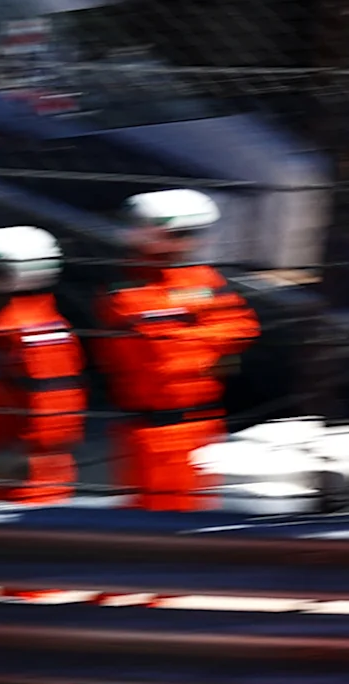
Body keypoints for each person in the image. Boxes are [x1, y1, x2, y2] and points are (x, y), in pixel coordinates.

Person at [97, 189, 259, 511]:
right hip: (149, 427)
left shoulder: (202, 278)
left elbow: (243, 327)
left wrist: (191, 339)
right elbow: (156, 353)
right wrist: (204, 341)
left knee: (187, 514)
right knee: (151, 517)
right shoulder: (127, 290)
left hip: (196, 422)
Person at [0, 226, 85, 504]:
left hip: (26, 473)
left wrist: (26, 453)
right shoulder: (4, 323)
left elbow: (57, 401)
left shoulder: (35, 332)